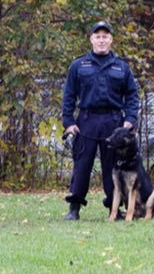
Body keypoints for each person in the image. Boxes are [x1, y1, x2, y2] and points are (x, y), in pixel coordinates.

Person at [60, 21, 145, 221]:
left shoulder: (121, 66)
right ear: (91, 39)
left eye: (105, 36)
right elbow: (68, 96)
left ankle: (113, 208)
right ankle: (74, 207)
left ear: (111, 40)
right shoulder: (78, 65)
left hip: (113, 122)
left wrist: (130, 120)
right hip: (86, 121)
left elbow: (132, 96)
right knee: (82, 165)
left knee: (112, 167)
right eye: (97, 36)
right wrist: (68, 122)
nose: (101, 40)